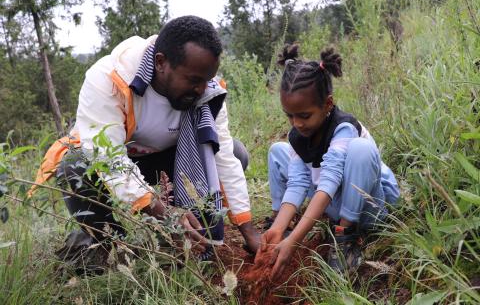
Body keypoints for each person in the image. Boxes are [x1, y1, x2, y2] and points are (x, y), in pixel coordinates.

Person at [30, 15, 260, 256]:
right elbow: (108, 159)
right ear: (160, 63)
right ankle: (112, 247)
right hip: (118, 163)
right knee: (73, 166)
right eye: (193, 80)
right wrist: (164, 212)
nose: (201, 89)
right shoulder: (108, 79)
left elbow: (221, 155)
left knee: (235, 152)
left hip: (172, 162)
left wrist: (249, 230)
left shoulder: (208, 92)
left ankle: (187, 234)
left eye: (206, 79)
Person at [257, 44, 400, 277]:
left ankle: (346, 236)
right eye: (290, 116)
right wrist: (279, 228)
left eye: (304, 115)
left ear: (328, 105)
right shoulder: (299, 134)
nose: (296, 123)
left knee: (361, 149)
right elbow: (297, 182)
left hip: (369, 206)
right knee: (279, 150)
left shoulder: (344, 127)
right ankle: (278, 226)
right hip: (335, 201)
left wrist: (295, 241)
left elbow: (330, 179)